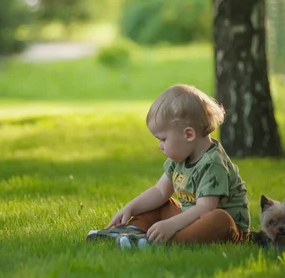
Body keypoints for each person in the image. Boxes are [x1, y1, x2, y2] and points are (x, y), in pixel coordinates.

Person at [87, 84, 250, 249]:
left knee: (219, 218)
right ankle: (130, 231)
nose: (160, 146)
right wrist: (130, 208)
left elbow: (205, 209)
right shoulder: (180, 157)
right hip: (190, 218)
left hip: (224, 230)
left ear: (188, 134)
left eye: (163, 139)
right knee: (161, 203)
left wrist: (172, 224)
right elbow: (159, 191)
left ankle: (160, 242)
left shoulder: (213, 163)